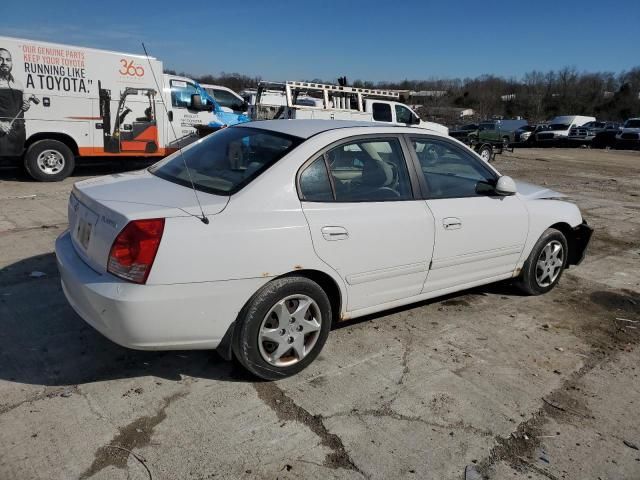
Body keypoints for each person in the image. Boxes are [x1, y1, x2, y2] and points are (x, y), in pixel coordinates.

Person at [0, 48, 30, 156]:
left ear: (11, 63)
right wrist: (0, 124)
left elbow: (23, 104)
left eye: (7, 59)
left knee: (16, 160)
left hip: (19, 132)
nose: (4, 62)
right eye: (1, 59)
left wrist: (26, 105)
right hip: (2, 132)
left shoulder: (18, 84)